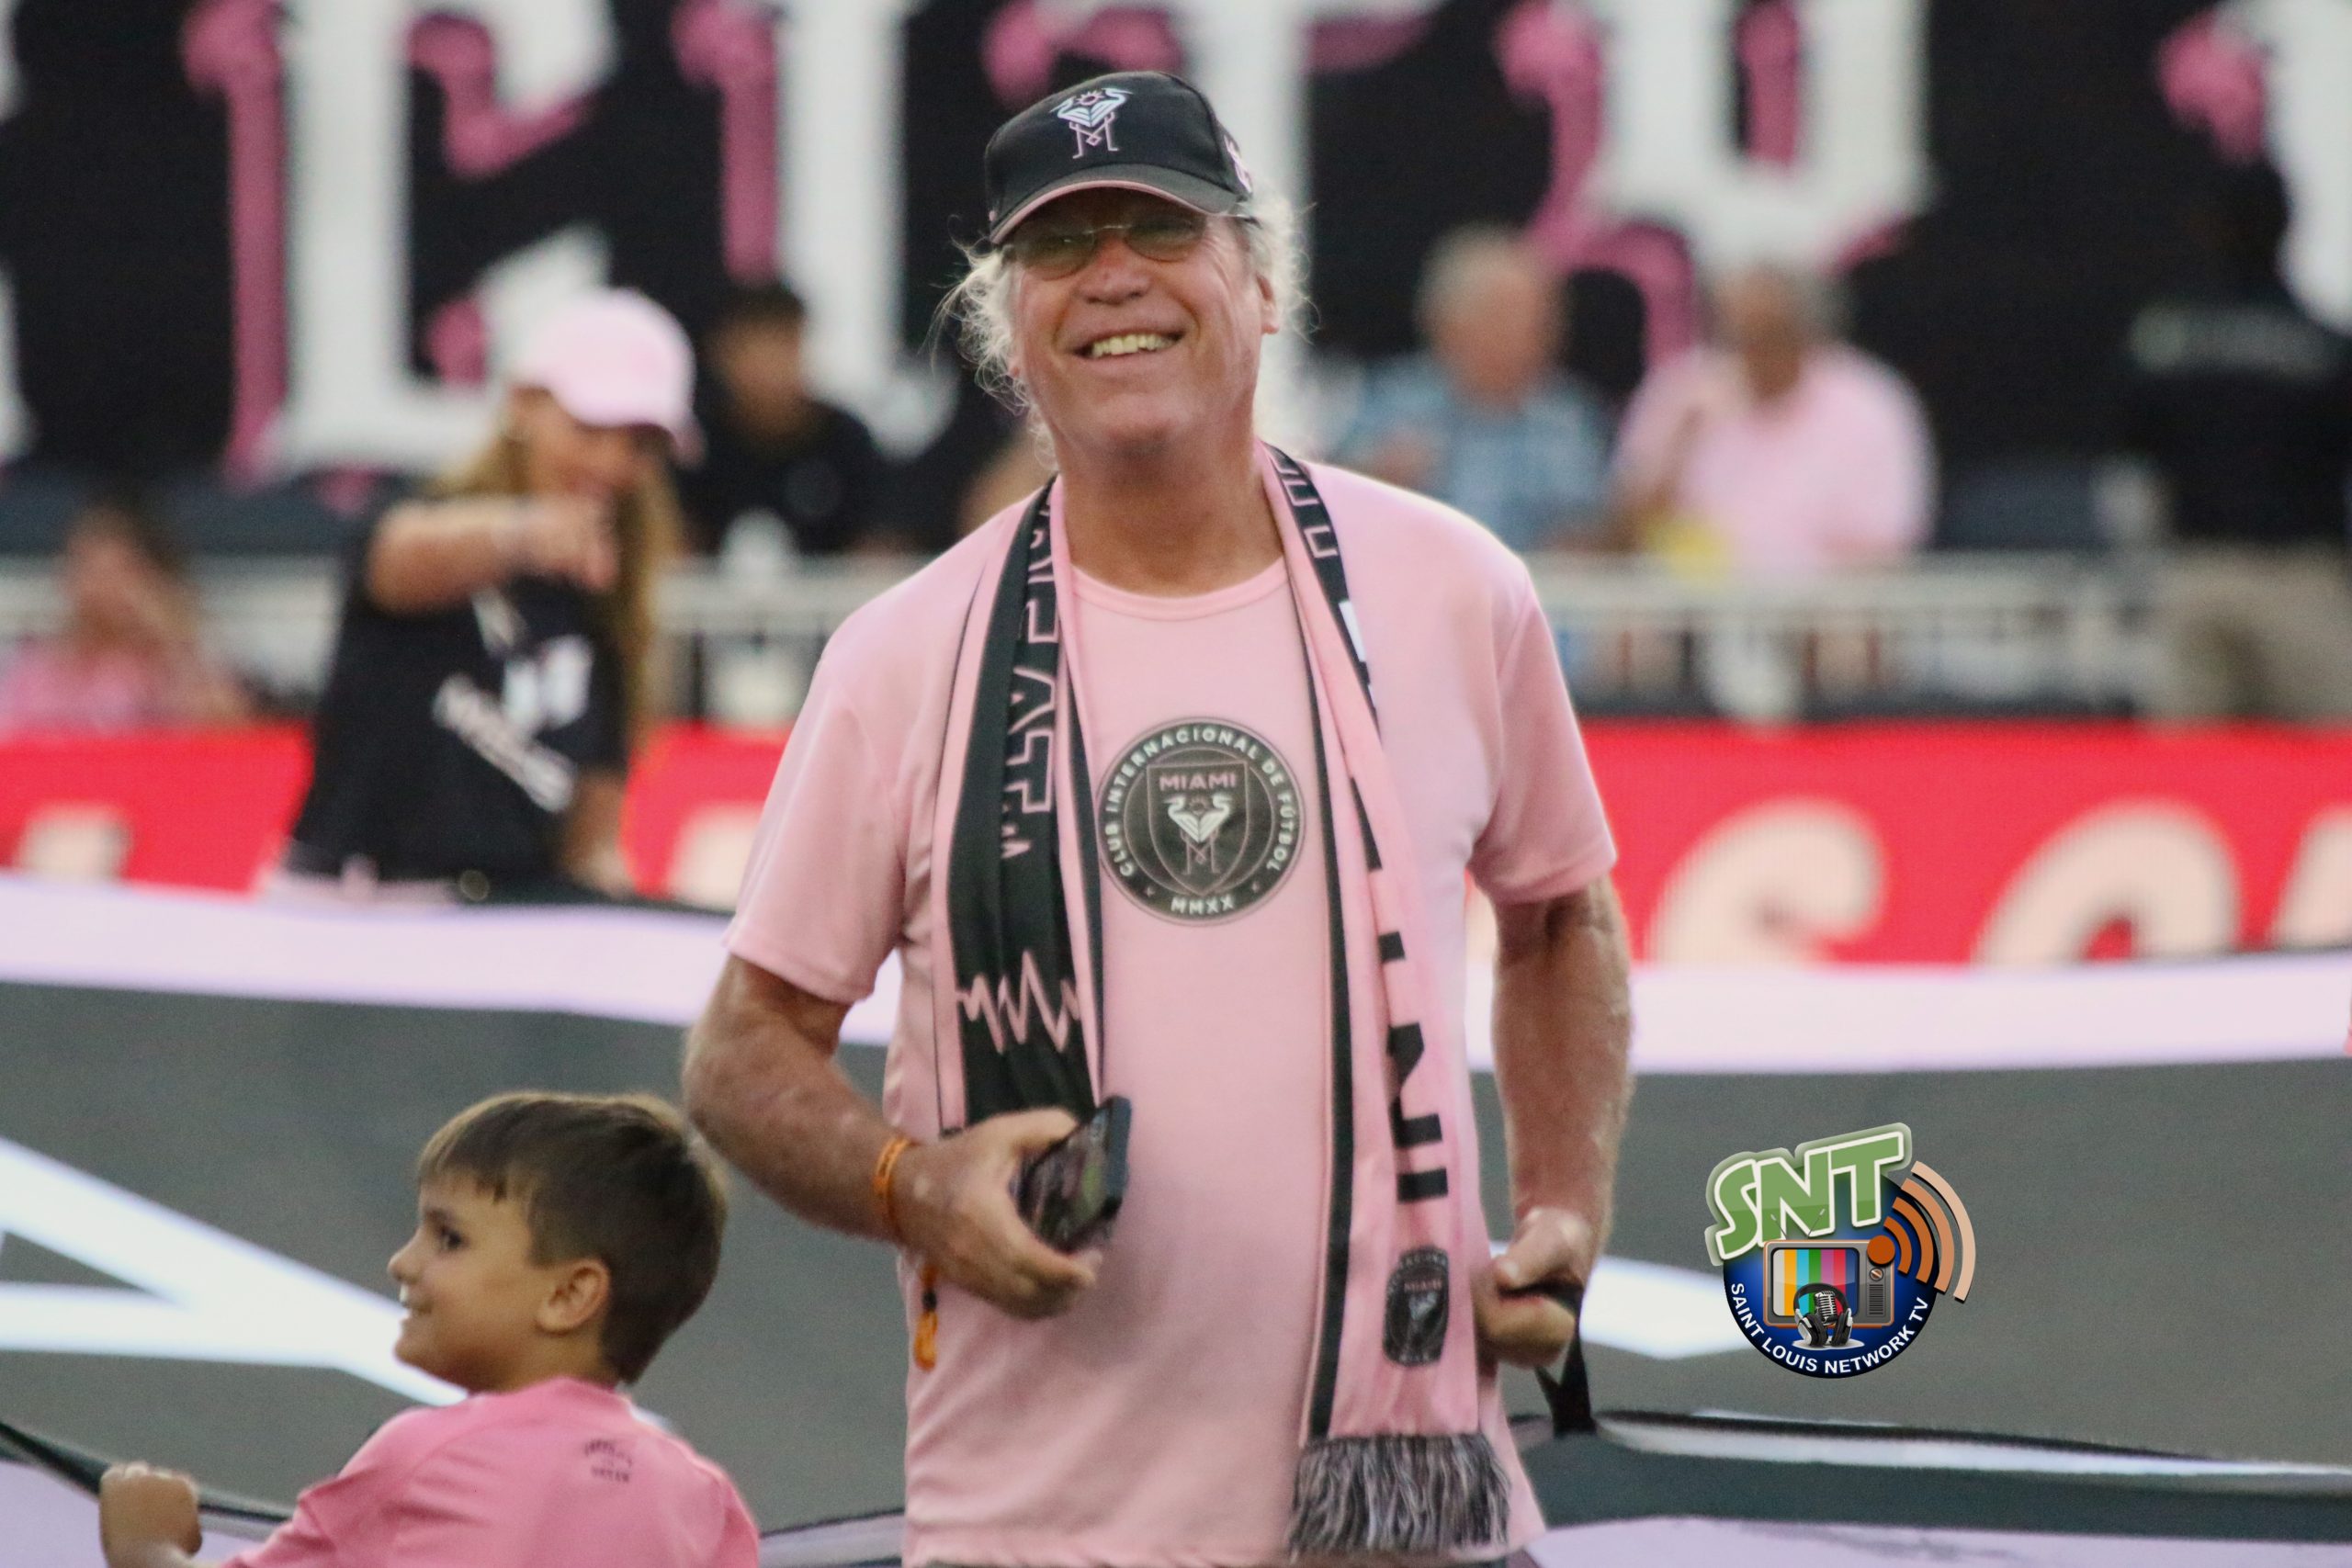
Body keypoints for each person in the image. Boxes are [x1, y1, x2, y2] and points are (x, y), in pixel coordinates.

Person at [684, 71, 1632, 1567]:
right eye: (1061, 245)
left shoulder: (1454, 588)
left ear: (1263, 285)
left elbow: (1561, 912)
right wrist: (911, 1186)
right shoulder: (902, 653)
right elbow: (743, 1051)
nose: (1114, 274)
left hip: (1404, 1516)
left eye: (1162, 228)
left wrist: (1564, 1207)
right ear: (1009, 330)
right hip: (1041, 1529)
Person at [96, 1090, 758, 1568]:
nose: (402, 1262)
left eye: (449, 1238)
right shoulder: (706, 1502)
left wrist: (145, 1546)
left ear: (569, 1294)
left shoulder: (426, 1457)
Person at [278, 289, 690, 901]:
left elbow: (590, 838)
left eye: (639, 444)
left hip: (507, 919)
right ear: (522, 405)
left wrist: (613, 900)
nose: (610, 461)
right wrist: (524, 534)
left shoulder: (607, 612)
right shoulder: (426, 521)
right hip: (357, 903)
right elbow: (395, 561)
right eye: (589, 429)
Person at [2122, 160, 2352, 720]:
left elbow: (2130, 471)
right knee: (2331, 763)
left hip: (2198, 574)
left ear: (2207, 226)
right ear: (2290, 225)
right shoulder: (2325, 348)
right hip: (2302, 580)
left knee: (2194, 767)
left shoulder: (2162, 346)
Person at [1611, 262, 1935, 578]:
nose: (1750, 354)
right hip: (1686, 600)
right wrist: (1680, 449)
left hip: (1823, 602)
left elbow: (1886, 547)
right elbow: (1623, 536)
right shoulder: (1681, 392)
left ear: (1809, 335)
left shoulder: (1871, 404)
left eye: (1768, 337)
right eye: (1735, 337)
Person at [1336, 226, 1612, 552]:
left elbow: (1596, 534)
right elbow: (1330, 505)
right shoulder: (1392, 401)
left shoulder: (1569, 419)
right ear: (1445, 321)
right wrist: (1374, 480)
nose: (1524, 331)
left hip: (1534, 583)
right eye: (1503, 314)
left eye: (1539, 316)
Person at [0, 492, 248, 734]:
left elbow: (228, 732)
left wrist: (171, 639)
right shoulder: (35, 667)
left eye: (118, 572)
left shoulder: (170, 666)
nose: (102, 587)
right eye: (90, 569)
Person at [678, 281, 892, 558]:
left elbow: (879, 548)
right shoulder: (694, 443)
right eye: (755, 348)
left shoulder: (846, 439)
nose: (769, 368)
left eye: (783, 345)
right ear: (722, 353)